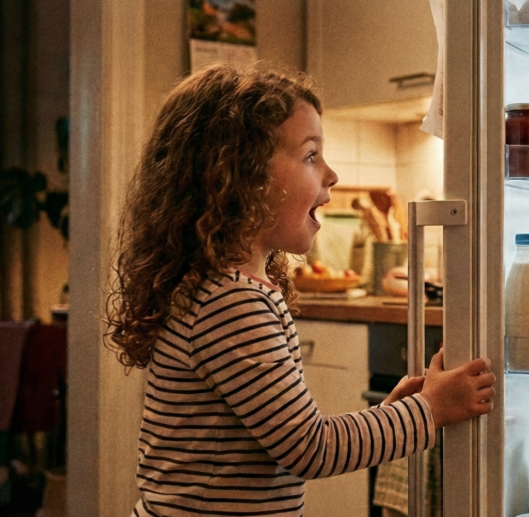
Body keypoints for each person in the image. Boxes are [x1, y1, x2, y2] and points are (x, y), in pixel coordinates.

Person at [104, 64, 496, 517]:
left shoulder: (217, 290)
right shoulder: (233, 304)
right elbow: (311, 448)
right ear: (241, 176)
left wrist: (392, 415)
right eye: (311, 156)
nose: (331, 175)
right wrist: (431, 410)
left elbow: (286, 437)